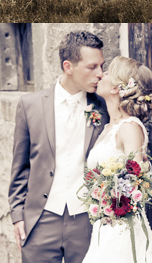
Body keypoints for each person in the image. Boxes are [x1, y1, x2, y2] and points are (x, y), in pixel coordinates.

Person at [9, 31, 108, 263]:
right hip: (40, 219)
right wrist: (17, 215)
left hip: (87, 221)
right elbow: (20, 165)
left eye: (102, 66)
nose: (100, 74)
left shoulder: (104, 107)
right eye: (92, 67)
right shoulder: (29, 105)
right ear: (68, 66)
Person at [81, 56, 152, 262]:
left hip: (122, 227)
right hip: (105, 225)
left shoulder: (129, 127)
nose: (100, 75)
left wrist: (111, 202)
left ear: (115, 88)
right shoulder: (108, 128)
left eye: (106, 73)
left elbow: (136, 180)